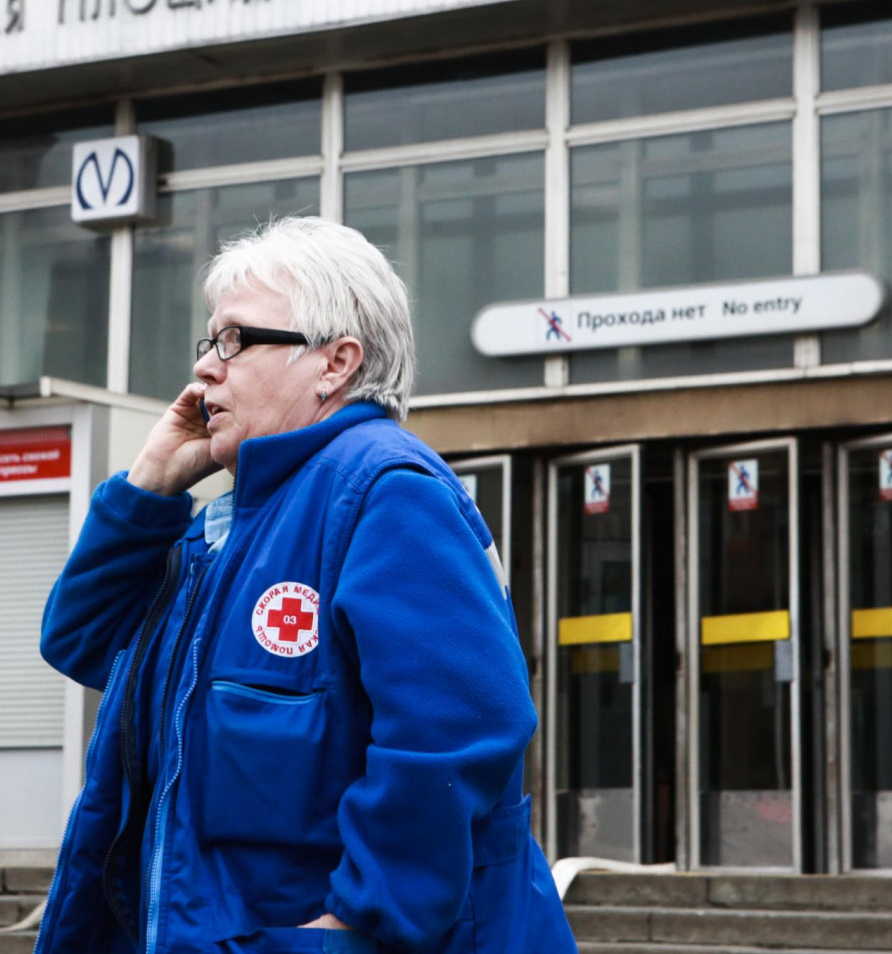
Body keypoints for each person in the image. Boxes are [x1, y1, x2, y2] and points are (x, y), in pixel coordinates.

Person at [36, 216, 577, 953]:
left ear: (335, 364)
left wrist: (357, 925)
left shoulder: (386, 492)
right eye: (208, 341)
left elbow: (460, 729)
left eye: (235, 339)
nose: (205, 369)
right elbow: (82, 641)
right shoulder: (228, 525)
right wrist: (149, 486)